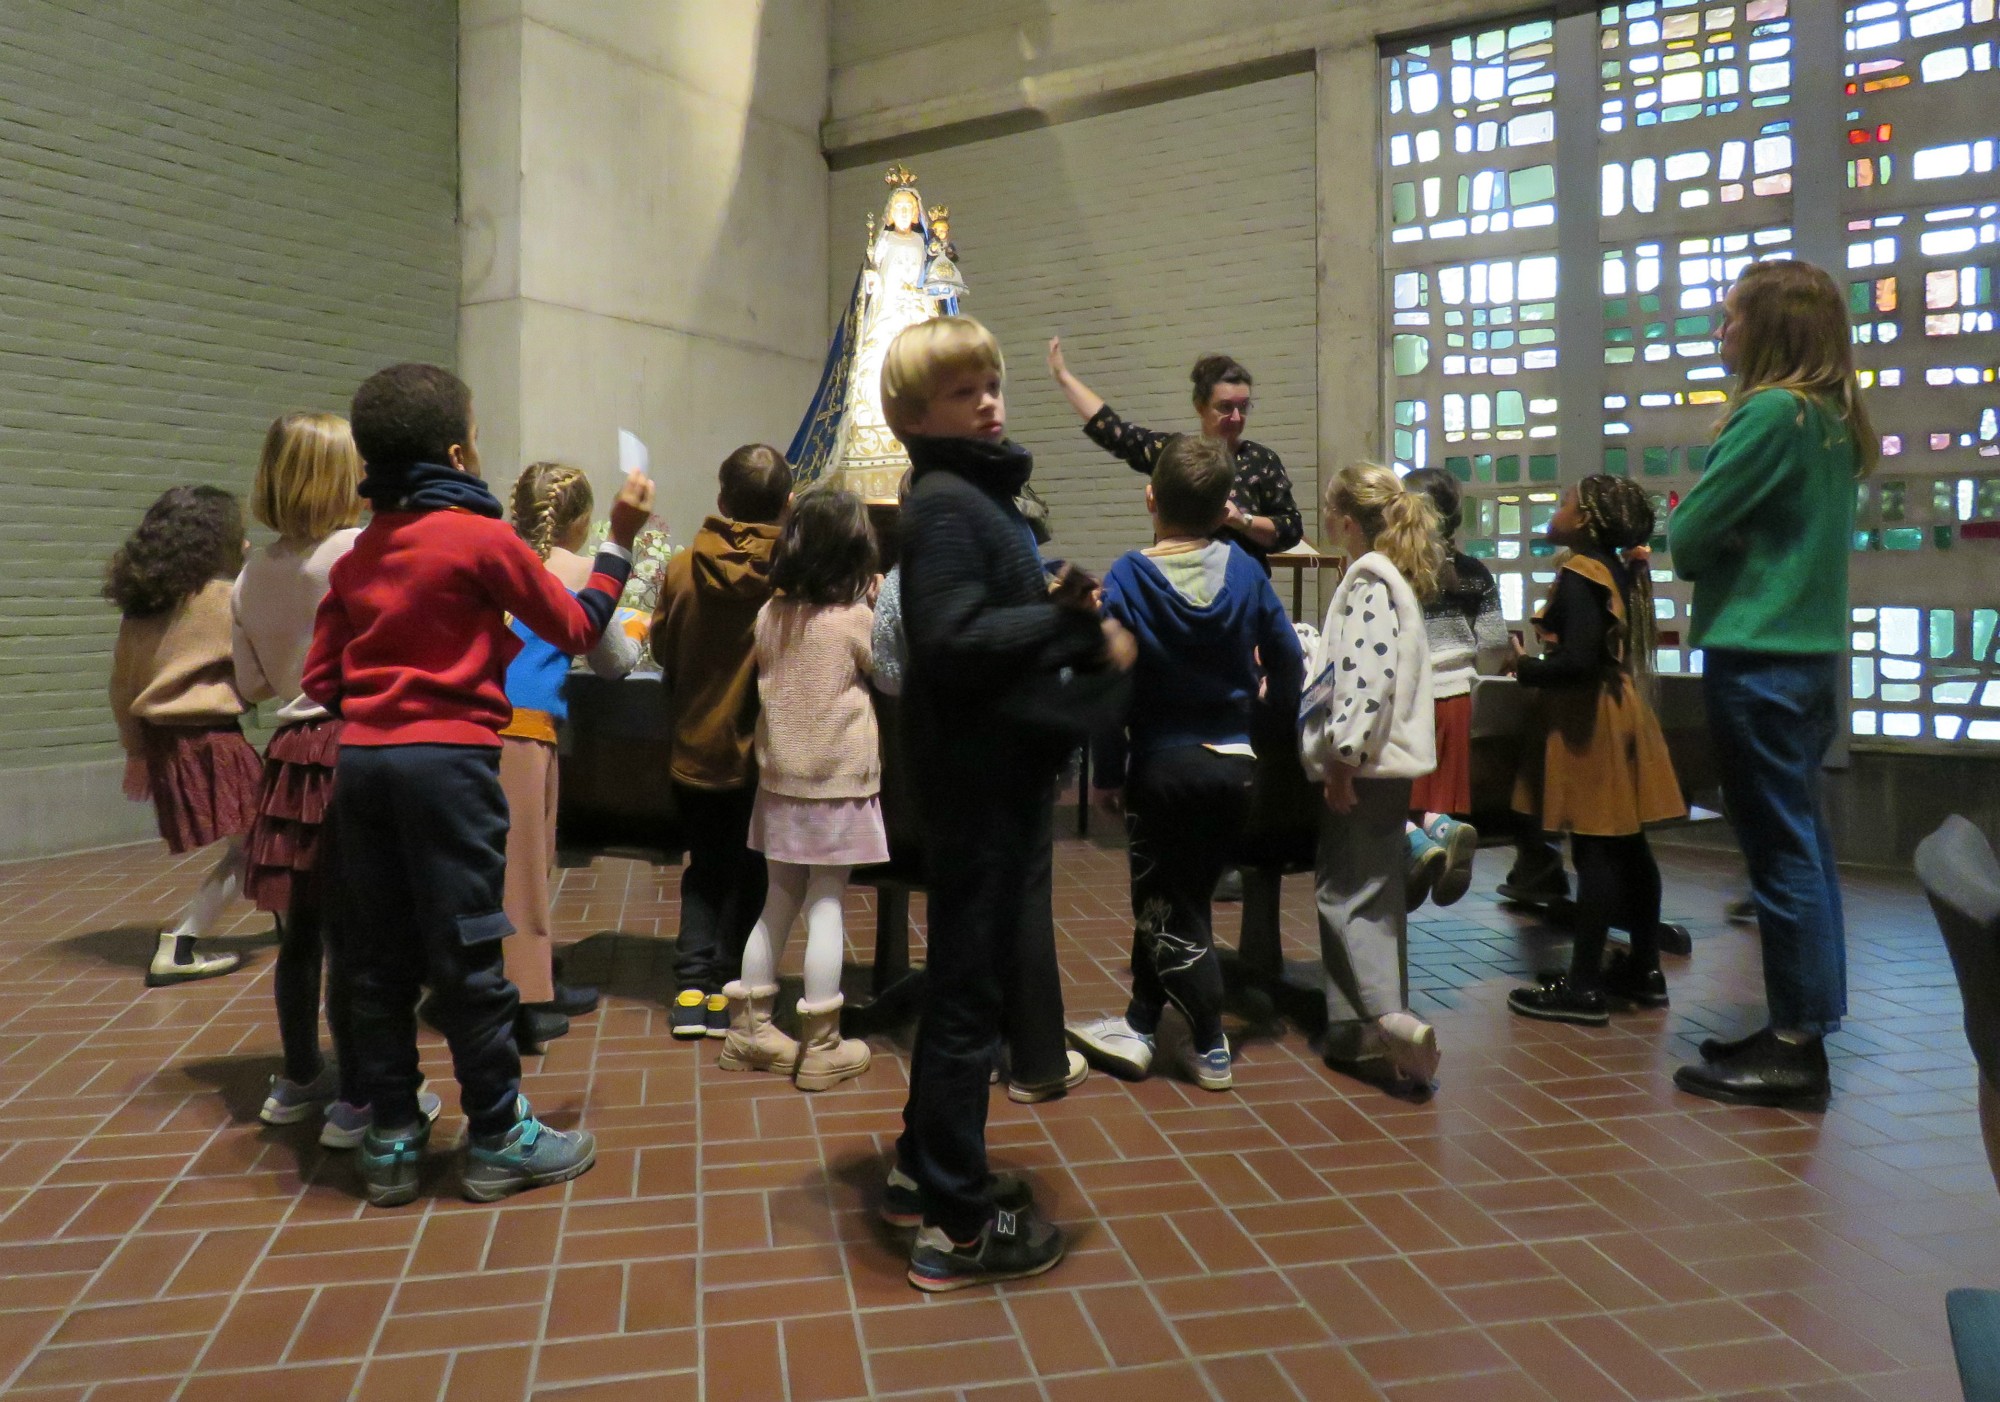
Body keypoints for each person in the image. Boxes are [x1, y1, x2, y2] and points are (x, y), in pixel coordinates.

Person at [301, 362, 654, 1207]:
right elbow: (573, 626)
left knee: (379, 960)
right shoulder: (481, 538)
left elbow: (321, 676)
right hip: (450, 768)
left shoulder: (359, 555)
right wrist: (618, 541)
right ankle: (498, 1133)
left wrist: (385, 705)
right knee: (469, 952)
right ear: (458, 453)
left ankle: (390, 1139)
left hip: (364, 764)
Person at [885, 316, 1134, 1290]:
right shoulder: (948, 501)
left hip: (986, 779)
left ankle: (919, 1166)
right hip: (977, 786)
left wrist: (1061, 622)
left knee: (964, 988)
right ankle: (953, 1229)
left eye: (990, 382)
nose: (988, 399)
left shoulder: (967, 497)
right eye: (962, 390)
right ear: (913, 414)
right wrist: (1064, 620)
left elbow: (989, 625)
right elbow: (950, 636)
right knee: (966, 1000)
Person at [1667, 259, 1875, 1112]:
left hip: (1757, 655)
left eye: (1731, 317)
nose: (1721, 332)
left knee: (1779, 852)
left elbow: (1688, 536)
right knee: (1805, 847)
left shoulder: (1769, 415)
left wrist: (1693, 518)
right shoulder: (1831, 419)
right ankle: (1802, 1022)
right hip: (1808, 657)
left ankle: (1793, 1052)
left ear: (1771, 327)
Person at [1066, 435, 1304, 1091]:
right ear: (1225, 507)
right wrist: (1269, 728)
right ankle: (1141, 1022)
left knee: (1175, 908)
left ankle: (1209, 1044)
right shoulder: (1248, 572)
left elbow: (1117, 685)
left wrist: (1109, 771)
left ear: (1150, 498)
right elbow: (1287, 661)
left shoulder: (1129, 576)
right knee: (1179, 895)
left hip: (1163, 767)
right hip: (1234, 767)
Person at [234, 412, 441, 1143]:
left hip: (289, 754)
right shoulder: (357, 549)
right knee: (361, 939)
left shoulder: (253, 570)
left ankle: (298, 1077)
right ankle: (360, 1096)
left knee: (300, 934)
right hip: (351, 740)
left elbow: (251, 683)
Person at [717, 488, 883, 1092]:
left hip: (780, 782)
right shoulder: (854, 620)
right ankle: (822, 1045)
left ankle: (751, 1029)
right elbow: (890, 673)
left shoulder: (770, 615)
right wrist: (881, 602)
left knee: (777, 900)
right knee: (829, 904)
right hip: (837, 783)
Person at [1505, 477, 1686, 1025]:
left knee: (1595, 850)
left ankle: (1583, 986)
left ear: (1583, 522)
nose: (1555, 509)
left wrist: (1525, 668)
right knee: (1629, 847)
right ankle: (1643, 969)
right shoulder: (1613, 566)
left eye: (1564, 503)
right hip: (1618, 708)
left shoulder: (1583, 570)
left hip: (1592, 718)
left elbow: (1580, 661)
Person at [1301, 464, 1442, 1094]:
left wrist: (1341, 761)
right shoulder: (1394, 580)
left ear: (1348, 521)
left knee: (1345, 894)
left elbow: (1365, 680)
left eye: (1330, 513)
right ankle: (1381, 1019)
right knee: (1377, 895)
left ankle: (1377, 1026)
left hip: (1364, 767)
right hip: (1386, 769)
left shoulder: (1367, 579)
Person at [497, 462, 642, 1052]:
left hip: (478, 722)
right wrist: (638, 629)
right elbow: (613, 659)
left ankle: (514, 973)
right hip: (527, 732)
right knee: (528, 868)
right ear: (581, 522)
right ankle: (527, 999)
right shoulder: (583, 572)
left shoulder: (498, 558)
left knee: (498, 864)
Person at [652, 445, 791, 1039]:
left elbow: (660, 648)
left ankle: (691, 989)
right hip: (758, 756)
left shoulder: (682, 566)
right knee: (752, 870)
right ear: (786, 507)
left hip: (693, 751)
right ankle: (735, 986)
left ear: (721, 500)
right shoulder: (788, 577)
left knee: (704, 870)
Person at [107, 485, 263, 988]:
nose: (245, 547)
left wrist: (135, 752)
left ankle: (290, 916)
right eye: (237, 537)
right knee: (259, 841)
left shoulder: (144, 608)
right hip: (213, 739)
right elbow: (257, 672)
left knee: (254, 837)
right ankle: (181, 942)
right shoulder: (222, 598)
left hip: (164, 742)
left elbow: (121, 685)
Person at [1047, 340, 1304, 570]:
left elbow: (1290, 529)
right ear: (1200, 406)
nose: (1236, 418)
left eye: (1243, 407)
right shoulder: (1176, 454)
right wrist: (1064, 377)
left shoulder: (1261, 460)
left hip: (1241, 591)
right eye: (1225, 407)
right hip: (1176, 586)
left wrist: (1243, 521)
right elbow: (1114, 431)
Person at [1400, 469, 1508, 910]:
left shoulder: (1399, 570)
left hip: (1411, 699)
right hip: (1459, 697)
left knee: (1399, 796)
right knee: (1435, 798)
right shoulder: (1474, 573)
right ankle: (1446, 831)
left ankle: (1418, 851)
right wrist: (1476, 673)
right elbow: (1496, 642)